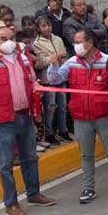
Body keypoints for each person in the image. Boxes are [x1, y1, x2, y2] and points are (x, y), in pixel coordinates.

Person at [0, 22, 55, 215]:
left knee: (29, 157)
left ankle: (33, 193)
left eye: (11, 38)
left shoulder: (24, 60)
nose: (9, 42)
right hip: (3, 119)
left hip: (24, 115)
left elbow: (32, 81)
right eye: (4, 39)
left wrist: (38, 89)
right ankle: (11, 203)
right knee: (6, 163)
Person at [47, 29, 108, 204]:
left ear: (89, 43)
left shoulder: (107, 61)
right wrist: (53, 65)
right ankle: (88, 187)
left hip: (104, 115)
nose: (75, 45)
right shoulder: (71, 63)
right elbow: (54, 80)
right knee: (86, 155)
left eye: (78, 41)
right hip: (81, 117)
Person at [30, 17, 71, 145]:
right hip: (47, 79)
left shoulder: (57, 39)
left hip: (61, 76)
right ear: (38, 29)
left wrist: (63, 58)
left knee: (63, 106)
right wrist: (55, 56)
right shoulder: (36, 43)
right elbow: (40, 62)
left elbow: (65, 53)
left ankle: (63, 130)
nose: (47, 28)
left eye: (48, 25)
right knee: (50, 107)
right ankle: (49, 132)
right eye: (43, 26)